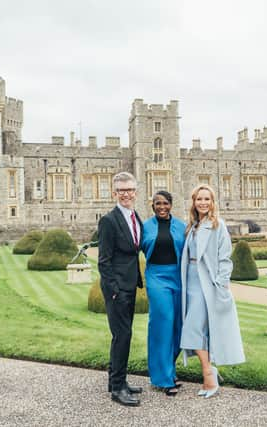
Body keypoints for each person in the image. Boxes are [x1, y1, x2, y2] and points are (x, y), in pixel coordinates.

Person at [180, 184, 245, 398]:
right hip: (189, 281)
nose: (203, 203)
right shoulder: (192, 226)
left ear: (213, 202)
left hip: (205, 282)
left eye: (207, 199)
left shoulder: (218, 225)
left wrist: (222, 283)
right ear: (194, 202)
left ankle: (209, 375)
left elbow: (225, 257)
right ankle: (209, 371)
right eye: (199, 199)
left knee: (192, 329)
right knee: (196, 329)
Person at [97, 172, 144, 407]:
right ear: (114, 193)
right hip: (117, 289)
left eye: (130, 189)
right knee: (122, 336)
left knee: (123, 336)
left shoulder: (135, 216)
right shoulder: (109, 220)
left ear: (136, 191)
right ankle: (117, 388)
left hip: (130, 285)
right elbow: (103, 261)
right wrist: (114, 290)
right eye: (122, 190)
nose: (126, 194)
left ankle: (117, 381)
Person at [141, 190, 186, 396]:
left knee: (178, 325)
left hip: (177, 277)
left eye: (165, 203)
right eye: (157, 203)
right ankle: (163, 378)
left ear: (171, 205)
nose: (161, 207)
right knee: (163, 323)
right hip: (156, 277)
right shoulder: (145, 227)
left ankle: (170, 369)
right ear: (152, 206)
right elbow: (131, 251)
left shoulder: (181, 226)